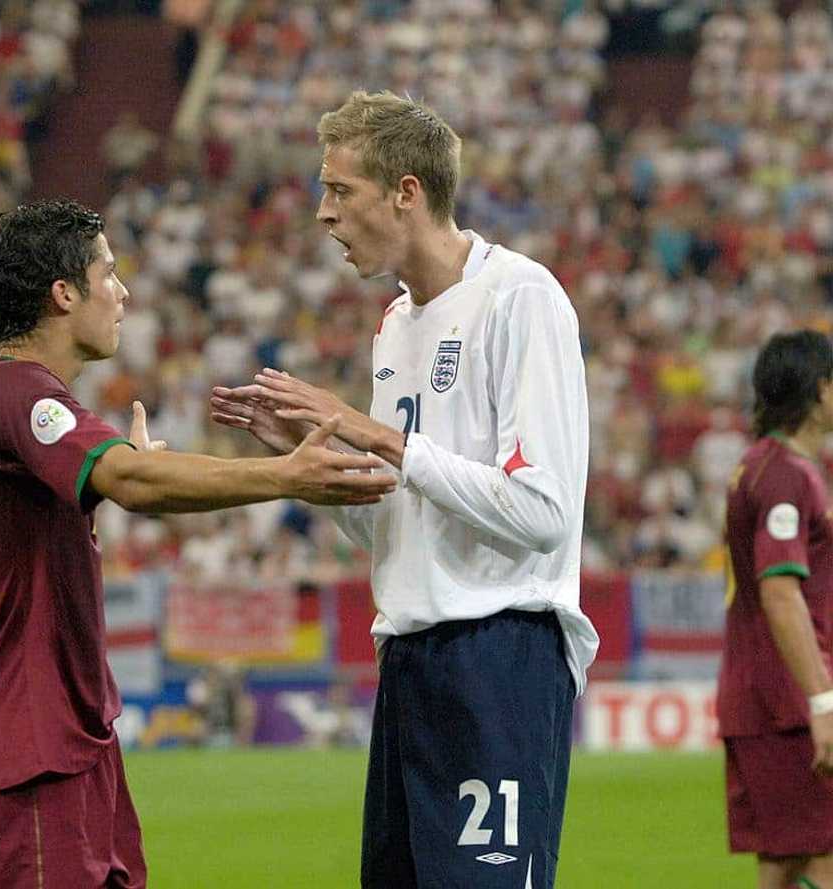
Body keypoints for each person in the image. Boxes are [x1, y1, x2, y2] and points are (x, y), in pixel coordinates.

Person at [0, 199, 396, 889]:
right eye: (108, 273)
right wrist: (286, 475)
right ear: (64, 293)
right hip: (26, 757)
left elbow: (118, 483)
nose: (123, 292)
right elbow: (132, 481)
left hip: (57, 744)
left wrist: (135, 472)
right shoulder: (15, 391)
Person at [210, 90, 598, 889]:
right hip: (409, 656)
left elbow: (545, 511)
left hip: (500, 653)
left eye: (340, 190)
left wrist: (376, 435)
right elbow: (399, 517)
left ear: (406, 192)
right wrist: (316, 468)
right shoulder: (395, 323)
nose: (324, 212)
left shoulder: (520, 297)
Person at [717, 330, 833, 889]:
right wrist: (822, 700)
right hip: (784, 702)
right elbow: (781, 592)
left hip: (768, 696)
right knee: (814, 856)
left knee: (789, 861)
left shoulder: (761, 465)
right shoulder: (786, 475)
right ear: (819, 390)